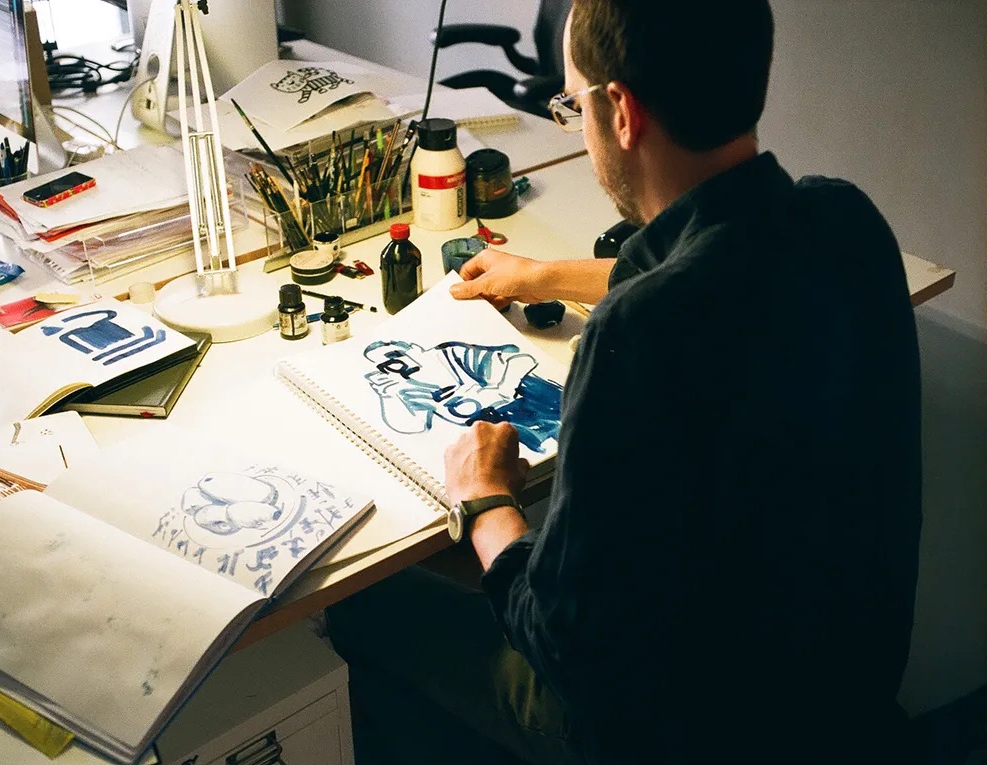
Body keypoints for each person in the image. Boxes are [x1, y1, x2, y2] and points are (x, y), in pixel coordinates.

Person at [326, 0, 922, 763]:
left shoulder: (637, 335)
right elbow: (723, 262)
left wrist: (487, 500)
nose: (577, 126)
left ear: (622, 112)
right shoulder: (849, 223)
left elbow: (558, 641)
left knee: (366, 603)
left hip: (670, 732)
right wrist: (546, 274)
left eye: (572, 104)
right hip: (843, 694)